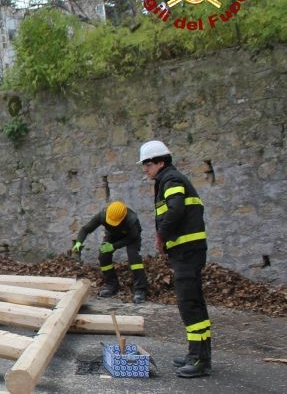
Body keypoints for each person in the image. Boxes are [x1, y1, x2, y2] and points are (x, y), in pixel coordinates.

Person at [140, 140, 211, 378]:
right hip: (188, 251)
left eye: (147, 164)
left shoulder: (171, 180)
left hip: (187, 252)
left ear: (160, 162)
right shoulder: (168, 179)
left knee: (189, 304)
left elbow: (176, 210)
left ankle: (199, 359)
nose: (145, 169)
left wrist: (161, 236)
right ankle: (198, 355)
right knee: (195, 303)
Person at [72, 201, 148, 303]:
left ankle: (140, 289)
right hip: (112, 235)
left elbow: (132, 237)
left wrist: (113, 246)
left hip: (130, 237)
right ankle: (111, 284)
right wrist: (78, 243)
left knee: (134, 258)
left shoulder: (131, 219)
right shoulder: (102, 215)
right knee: (103, 255)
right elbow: (86, 229)